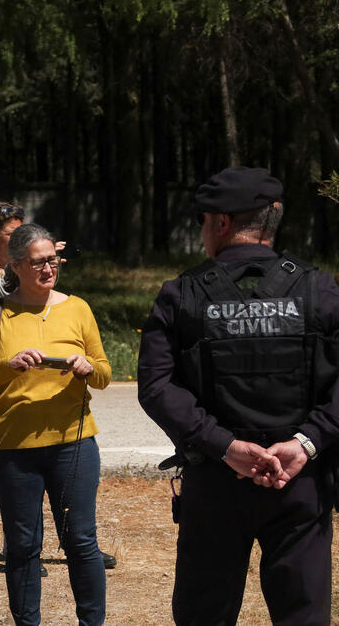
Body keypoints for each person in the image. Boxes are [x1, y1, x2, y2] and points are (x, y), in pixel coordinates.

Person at [137, 166, 339, 625]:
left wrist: (224, 446)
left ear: (222, 222)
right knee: (302, 614)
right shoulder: (320, 291)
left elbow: (155, 385)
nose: (202, 232)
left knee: (204, 613)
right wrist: (306, 442)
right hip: (299, 481)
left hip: (215, 482)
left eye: (203, 221)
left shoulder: (181, 294)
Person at [0, 223, 111, 626]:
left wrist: (86, 367)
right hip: (11, 448)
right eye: (38, 262)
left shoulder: (77, 308)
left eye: (52, 260)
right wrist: (7, 365)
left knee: (81, 542)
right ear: (16, 265)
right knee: (24, 545)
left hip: (73, 443)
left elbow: (104, 373)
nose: (48, 268)